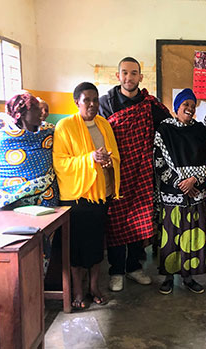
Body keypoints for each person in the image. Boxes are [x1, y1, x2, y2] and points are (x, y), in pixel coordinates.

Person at [98, 57, 172, 292]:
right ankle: (116, 270)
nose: (129, 78)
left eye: (134, 73)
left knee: (139, 218)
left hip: (141, 171)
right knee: (117, 220)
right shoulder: (105, 104)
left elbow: (169, 127)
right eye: (125, 73)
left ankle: (134, 267)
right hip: (116, 173)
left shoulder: (150, 105)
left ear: (141, 77)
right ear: (118, 76)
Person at [53, 82, 120, 309]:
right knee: (75, 247)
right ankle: (78, 291)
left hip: (101, 195)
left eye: (95, 100)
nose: (92, 105)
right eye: (86, 100)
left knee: (95, 245)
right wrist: (90, 158)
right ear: (76, 102)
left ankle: (93, 287)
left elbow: (115, 155)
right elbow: (60, 162)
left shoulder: (104, 125)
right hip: (76, 197)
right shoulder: (65, 126)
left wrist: (110, 162)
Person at [154, 88, 206, 295]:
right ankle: (169, 277)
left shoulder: (201, 131)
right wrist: (181, 184)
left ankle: (188, 277)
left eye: (192, 105)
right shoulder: (164, 130)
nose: (189, 108)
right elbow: (159, 161)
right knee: (171, 236)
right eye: (185, 104)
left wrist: (194, 180)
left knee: (192, 235)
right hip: (172, 193)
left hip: (196, 193)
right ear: (176, 107)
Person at [0, 92, 58, 208]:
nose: (40, 112)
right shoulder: (4, 138)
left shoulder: (49, 132)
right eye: (35, 109)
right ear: (21, 114)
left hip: (45, 193)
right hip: (10, 197)